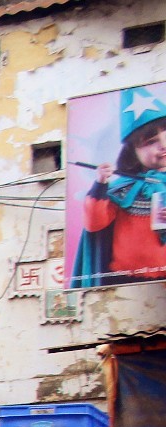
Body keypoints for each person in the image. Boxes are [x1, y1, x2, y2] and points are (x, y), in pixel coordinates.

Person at [74, 87, 166, 288]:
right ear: (133, 152)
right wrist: (100, 184)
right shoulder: (122, 189)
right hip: (126, 282)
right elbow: (94, 223)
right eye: (151, 142)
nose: (163, 146)